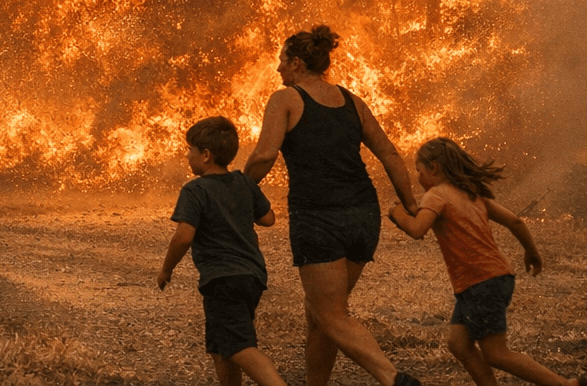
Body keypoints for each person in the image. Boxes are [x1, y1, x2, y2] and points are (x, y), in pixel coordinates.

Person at [242, 25, 424, 386]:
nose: (277, 69)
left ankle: (393, 379)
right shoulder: (352, 100)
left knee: (330, 313)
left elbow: (264, 155)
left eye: (281, 61)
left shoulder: (286, 99)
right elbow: (388, 152)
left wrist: (239, 189)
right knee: (320, 314)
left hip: (319, 217)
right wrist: (411, 204)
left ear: (296, 63)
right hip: (363, 215)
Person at [388, 138, 587, 386]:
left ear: (434, 168)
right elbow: (515, 221)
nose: (417, 177)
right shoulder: (471, 194)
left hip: (480, 282)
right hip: (493, 277)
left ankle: (565, 385)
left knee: (496, 353)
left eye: (418, 170)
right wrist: (531, 251)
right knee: (459, 344)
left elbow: (418, 230)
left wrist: (395, 213)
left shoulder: (435, 195)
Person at [158, 116, 287, 386]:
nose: (186, 155)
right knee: (220, 347)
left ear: (206, 155)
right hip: (251, 276)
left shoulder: (195, 190)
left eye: (190, 149)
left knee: (239, 346)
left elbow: (183, 237)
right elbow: (268, 219)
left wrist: (166, 269)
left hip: (222, 279)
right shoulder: (243, 183)